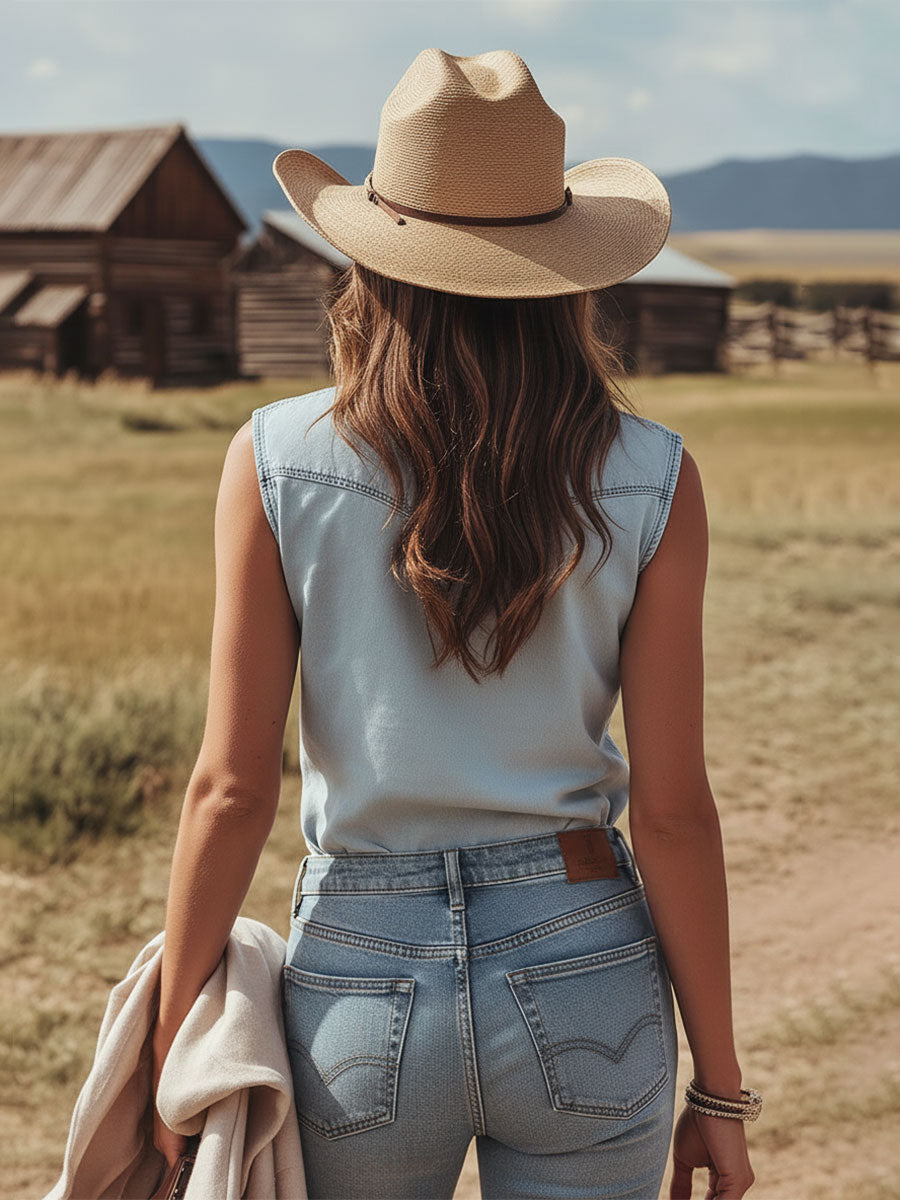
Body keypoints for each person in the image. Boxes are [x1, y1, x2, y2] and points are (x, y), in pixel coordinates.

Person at [151, 47, 759, 1200]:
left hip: (357, 977)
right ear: (567, 268)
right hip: (587, 957)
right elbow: (674, 812)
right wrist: (721, 1093)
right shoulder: (654, 477)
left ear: (372, 256)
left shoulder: (273, 463)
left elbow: (231, 788)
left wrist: (171, 1043)